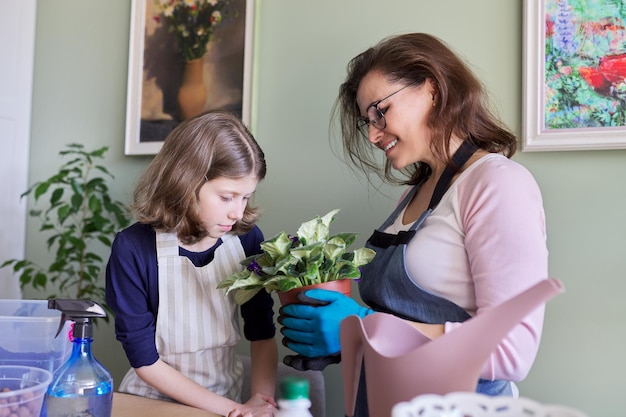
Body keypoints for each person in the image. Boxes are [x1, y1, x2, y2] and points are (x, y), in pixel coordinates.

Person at [279, 33, 549, 415]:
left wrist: (364, 327)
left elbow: (510, 351)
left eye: (380, 111)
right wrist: (342, 337)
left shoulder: (498, 184)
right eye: (366, 122)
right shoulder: (415, 193)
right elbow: (402, 325)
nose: (373, 134)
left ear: (432, 89)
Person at [106, 110, 278, 417]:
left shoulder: (247, 240)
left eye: (245, 197)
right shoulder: (133, 249)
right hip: (150, 403)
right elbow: (145, 361)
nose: (237, 213)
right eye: (227, 197)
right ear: (186, 183)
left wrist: (259, 403)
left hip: (227, 399)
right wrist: (234, 411)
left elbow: (261, 332)